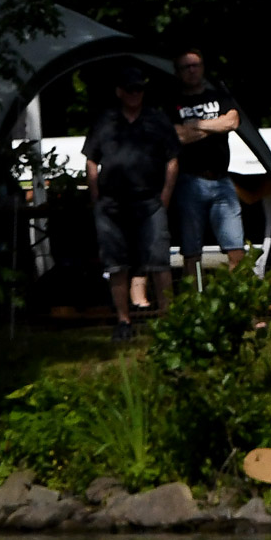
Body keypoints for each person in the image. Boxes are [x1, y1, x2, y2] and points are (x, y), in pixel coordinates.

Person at [84, 63, 180, 340]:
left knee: (160, 261)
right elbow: (91, 158)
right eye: (130, 89)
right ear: (119, 92)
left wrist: (166, 194)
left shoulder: (157, 120)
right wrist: (95, 194)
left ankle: (168, 321)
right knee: (117, 265)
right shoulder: (105, 121)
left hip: (150, 201)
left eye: (139, 88)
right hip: (112, 204)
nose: (135, 93)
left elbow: (172, 157)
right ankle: (124, 322)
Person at [169, 49, 247, 274]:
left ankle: (238, 298)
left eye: (196, 65)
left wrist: (197, 124)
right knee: (191, 251)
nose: (192, 71)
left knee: (236, 247)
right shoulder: (173, 101)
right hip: (189, 182)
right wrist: (215, 126)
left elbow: (232, 122)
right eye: (186, 67)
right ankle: (194, 301)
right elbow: (177, 136)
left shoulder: (219, 95)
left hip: (222, 180)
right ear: (178, 71)